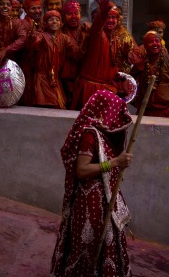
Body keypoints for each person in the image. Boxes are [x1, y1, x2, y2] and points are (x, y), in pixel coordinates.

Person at [50, 89, 134, 276]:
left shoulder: (102, 132)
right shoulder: (89, 134)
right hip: (89, 203)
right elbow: (82, 170)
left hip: (104, 199)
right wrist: (114, 162)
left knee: (105, 245)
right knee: (87, 248)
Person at [71, 0, 136, 110]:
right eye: (108, 17)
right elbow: (97, 26)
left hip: (106, 90)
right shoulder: (97, 34)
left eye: (113, 17)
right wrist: (103, 13)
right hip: (91, 90)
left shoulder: (116, 38)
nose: (110, 20)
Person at [26, 10, 82, 109]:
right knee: (48, 106)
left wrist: (87, 39)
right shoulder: (42, 36)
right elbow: (34, 43)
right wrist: (32, 37)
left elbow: (77, 53)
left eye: (57, 19)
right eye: (51, 20)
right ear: (46, 24)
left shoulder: (64, 38)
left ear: (61, 23)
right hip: (42, 78)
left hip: (55, 79)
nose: (54, 22)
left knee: (59, 107)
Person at [132, 31, 169, 118]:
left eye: (157, 41)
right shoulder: (139, 63)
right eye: (151, 41)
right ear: (145, 45)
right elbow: (130, 81)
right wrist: (134, 100)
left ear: (161, 44)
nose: (155, 44)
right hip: (145, 111)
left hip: (166, 111)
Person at [60, 0, 91, 107]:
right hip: (67, 79)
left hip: (85, 78)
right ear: (64, 16)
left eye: (76, 13)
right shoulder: (61, 32)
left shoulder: (85, 30)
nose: (74, 17)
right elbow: (76, 54)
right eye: (69, 14)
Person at [18, 0, 44, 106]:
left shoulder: (44, 23)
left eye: (39, 8)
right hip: (27, 67)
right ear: (26, 10)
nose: (37, 11)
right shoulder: (22, 24)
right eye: (33, 8)